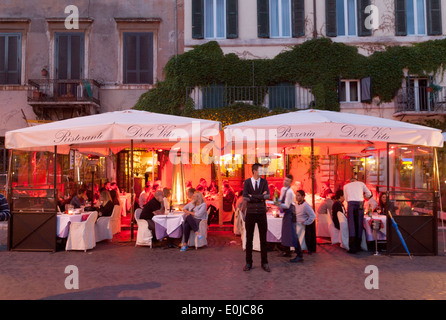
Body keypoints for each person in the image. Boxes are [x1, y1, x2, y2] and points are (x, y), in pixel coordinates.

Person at [242, 163, 271, 272]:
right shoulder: (247, 182)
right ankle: (248, 262)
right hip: (250, 213)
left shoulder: (264, 182)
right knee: (249, 239)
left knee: (263, 239)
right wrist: (260, 197)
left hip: (261, 213)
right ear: (254, 171)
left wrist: (252, 196)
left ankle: (265, 263)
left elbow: (268, 196)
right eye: (260, 170)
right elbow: (245, 197)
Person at [277, 174, 303, 263]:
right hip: (286, 213)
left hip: (290, 213)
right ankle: (287, 251)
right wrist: (276, 201)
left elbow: (287, 205)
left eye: (287, 181)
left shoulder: (290, 192)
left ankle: (299, 255)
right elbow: (280, 200)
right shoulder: (283, 189)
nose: (285, 182)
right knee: (285, 233)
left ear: (290, 182)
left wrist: (277, 204)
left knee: (292, 234)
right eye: (285, 180)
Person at [343, 177, 372, 253]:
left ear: (350, 181)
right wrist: (363, 198)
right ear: (357, 180)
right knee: (359, 223)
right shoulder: (361, 184)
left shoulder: (346, 186)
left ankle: (353, 247)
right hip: (360, 203)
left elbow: (346, 198)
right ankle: (358, 245)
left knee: (351, 224)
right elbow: (369, 193)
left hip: (351, 204)